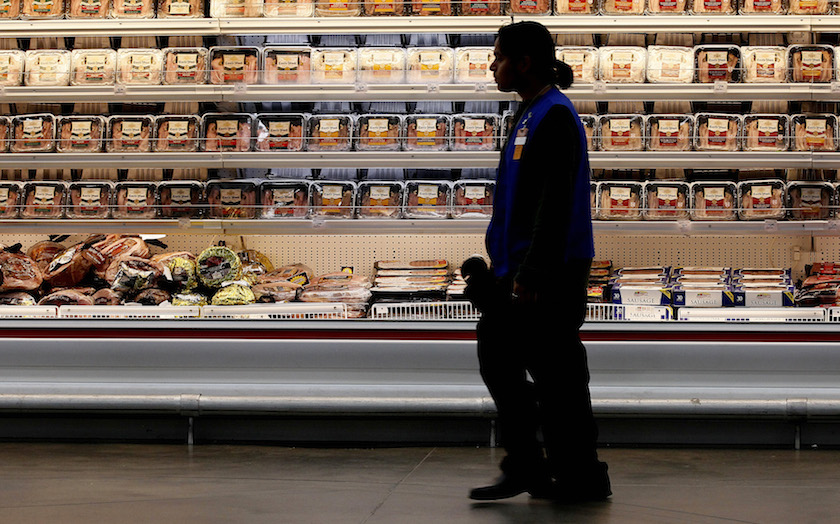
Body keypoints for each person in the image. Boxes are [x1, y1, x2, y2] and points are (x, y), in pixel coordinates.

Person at [463, 21, 611, 503]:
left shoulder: (554, 116)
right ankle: (533, 464)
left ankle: (578, 475)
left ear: (525, 62)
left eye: (499, 56)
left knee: (558, 377)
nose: (493, 64)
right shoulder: (528, 112)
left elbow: (556, 202)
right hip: (520, 266)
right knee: (502, 361)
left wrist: (533, 272)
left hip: (548, 271)